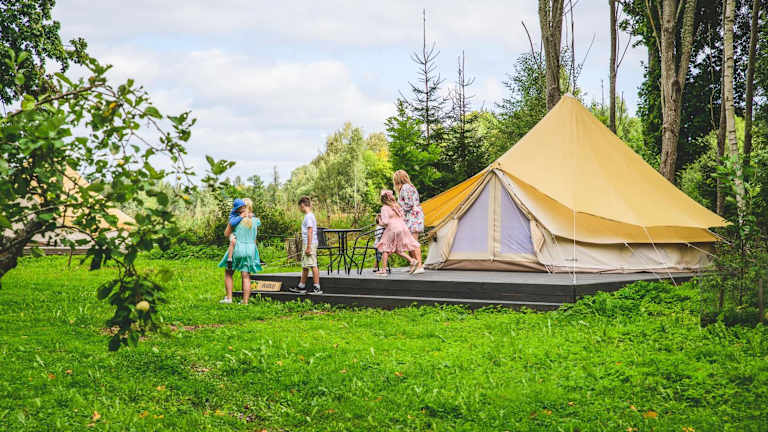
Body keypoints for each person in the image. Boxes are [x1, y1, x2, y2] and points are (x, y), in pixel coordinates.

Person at [218, 199, 262, 304]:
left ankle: (229, 298)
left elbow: (226, 233)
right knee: (246, 276)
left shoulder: (236, 220)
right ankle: (245, 301)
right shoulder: (255, 221)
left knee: (228, 273)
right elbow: (254, 238)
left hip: (237, 248)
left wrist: (231, 235)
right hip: (250, 249)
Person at [374, 190, 420, 276]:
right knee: (397, 249)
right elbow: (402, 216)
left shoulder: (384, 208)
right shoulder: (396, 206)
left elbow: (386, 222)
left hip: (392, 229)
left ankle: (383, 270)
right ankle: (412, 260)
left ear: (382, 199)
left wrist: (380, 222)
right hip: (401, 228)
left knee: (385, 248)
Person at [393, 170, 425, 274]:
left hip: (413, 218)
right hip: (411, 217)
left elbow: (409, 204)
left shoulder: (405, 187)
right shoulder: (409, 187)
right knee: (409, 243)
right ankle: (413, 264)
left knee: (414, 243)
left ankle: (419, 266)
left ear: (397, 180)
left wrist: (398, 208)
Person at [290, 196, 322, 294]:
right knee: (305, 265)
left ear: (302, 205)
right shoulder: (309, 216)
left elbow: (310, 231)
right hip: (307, 243)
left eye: (299, 207)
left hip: (310, 243)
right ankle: (301, 286)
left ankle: (317, 287)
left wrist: (308, 247)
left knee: (313, 264)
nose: (299, 209)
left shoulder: (308, 217)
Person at [225, 198, 246, 271]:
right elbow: (232, 223)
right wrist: (241, 217)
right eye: (241, 208)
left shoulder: (244, 213)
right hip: (233, 234)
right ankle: (229, 259)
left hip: (242, 236)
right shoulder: (233, 214)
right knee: (233, 241)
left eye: (244, 207)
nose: (243, 209)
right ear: (237, 209)